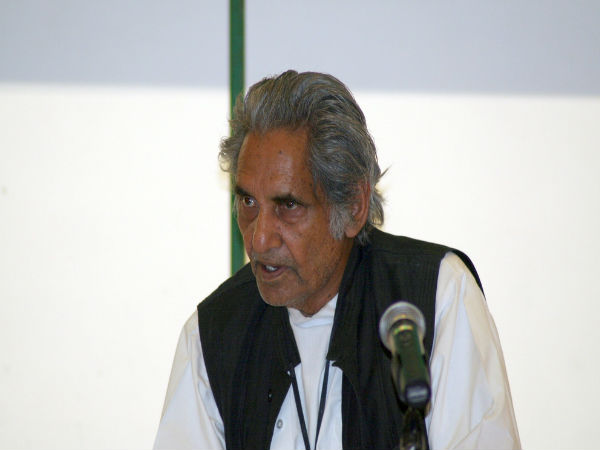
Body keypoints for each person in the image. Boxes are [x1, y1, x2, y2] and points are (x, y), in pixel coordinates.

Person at [153, 70, 521, 450]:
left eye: (288, 206)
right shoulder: (214, 332)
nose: (259, 239)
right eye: (248, 202)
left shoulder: (435, 296)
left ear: (354, 206)